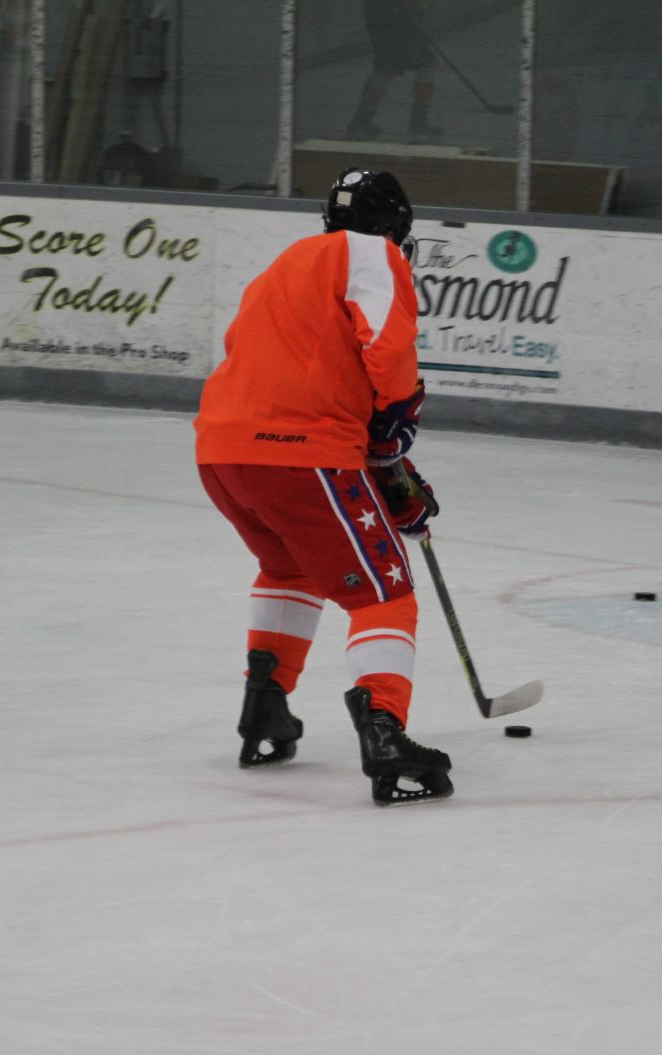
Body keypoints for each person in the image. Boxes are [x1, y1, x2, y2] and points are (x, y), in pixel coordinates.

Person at [193, 168, 452, 807]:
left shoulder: (285, 264)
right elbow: (387, 350)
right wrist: (394, 430)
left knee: (289, 568)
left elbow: (283, 367)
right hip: (300, 455)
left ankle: (264, 707)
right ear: (391, 227)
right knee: (385, 593)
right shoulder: (372, 254)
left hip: (222, 452)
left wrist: (380, 459)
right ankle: (384, 733)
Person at [346, 0, 441, 142]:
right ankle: (418, 121)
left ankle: (361, 120)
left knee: (387, 67)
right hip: (401, 21)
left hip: (385, 20)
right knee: (426, 64)